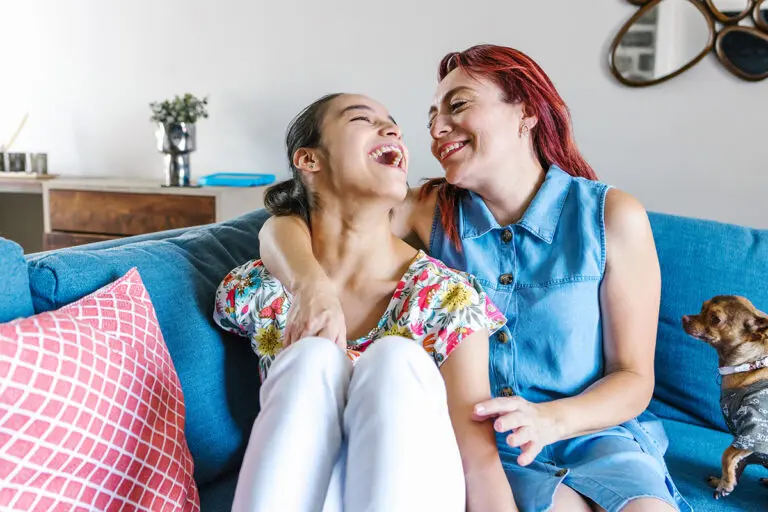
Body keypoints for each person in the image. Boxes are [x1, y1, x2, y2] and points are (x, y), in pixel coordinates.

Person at [257, 45, 691, 512]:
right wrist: (311, 285)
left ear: (525, 112)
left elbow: (633, 377)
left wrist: (549, 420)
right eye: (431, 119)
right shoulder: (427, 210)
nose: (437, 129)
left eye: (458, 105)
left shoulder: (611, 217)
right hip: (483, 444)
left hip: (594, 435)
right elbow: (294, 222)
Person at [213, 93, 518, 512]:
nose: (392, 129)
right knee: (311, 360)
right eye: (362, 120)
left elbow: (478, 463)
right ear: (309, 160)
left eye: (393, 124)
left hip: (414, 491)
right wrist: (309, 287)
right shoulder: (259, 290)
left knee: (394, 359)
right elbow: (276, 229)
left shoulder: (446, 296)